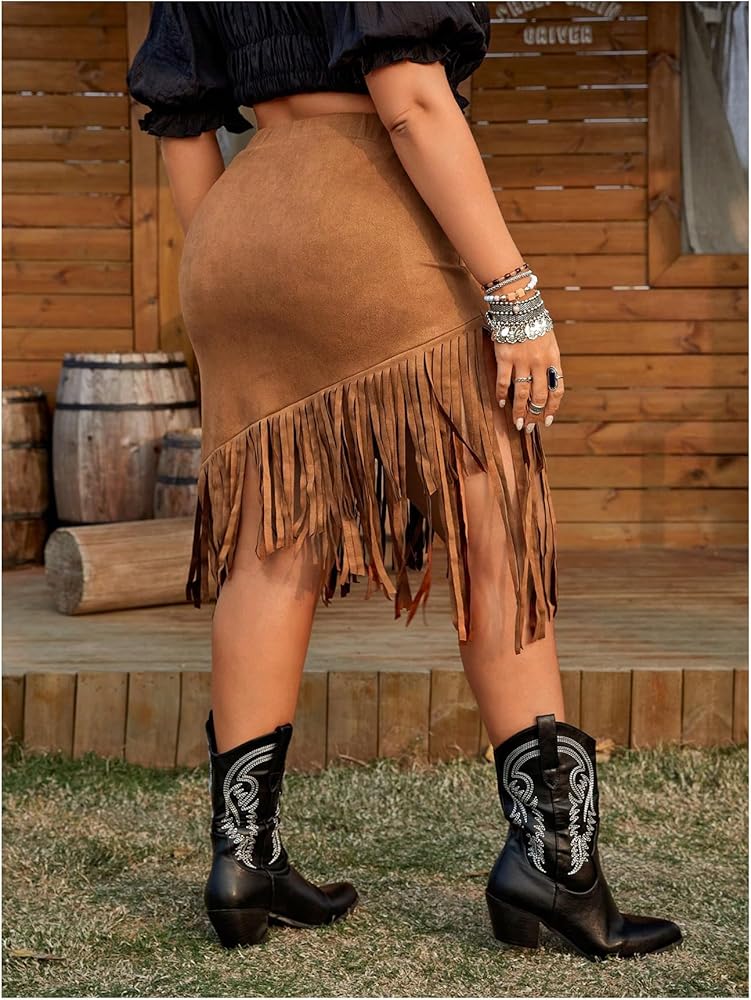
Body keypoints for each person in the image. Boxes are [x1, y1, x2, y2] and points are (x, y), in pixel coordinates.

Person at [126, 2, 682, 959]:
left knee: (270, 545)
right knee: (495, 527)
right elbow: (412, 99)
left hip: (232, 234)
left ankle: (244, 864)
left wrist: (249, 262)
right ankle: (553, 864)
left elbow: (181, 122)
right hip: (365, 218)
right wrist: (514, 295)